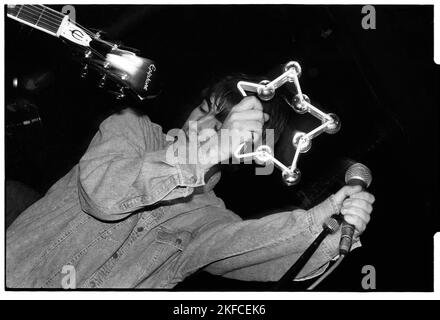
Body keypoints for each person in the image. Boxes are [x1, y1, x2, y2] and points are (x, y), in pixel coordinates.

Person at [6, 75, 375, 289]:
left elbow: (252, 250)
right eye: (206, 109)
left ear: (249, 151)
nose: (205, 125)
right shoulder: (132, 127)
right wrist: (206, 152)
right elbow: (104, 195)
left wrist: (327, 223)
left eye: (227, 126)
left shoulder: (209, 220)